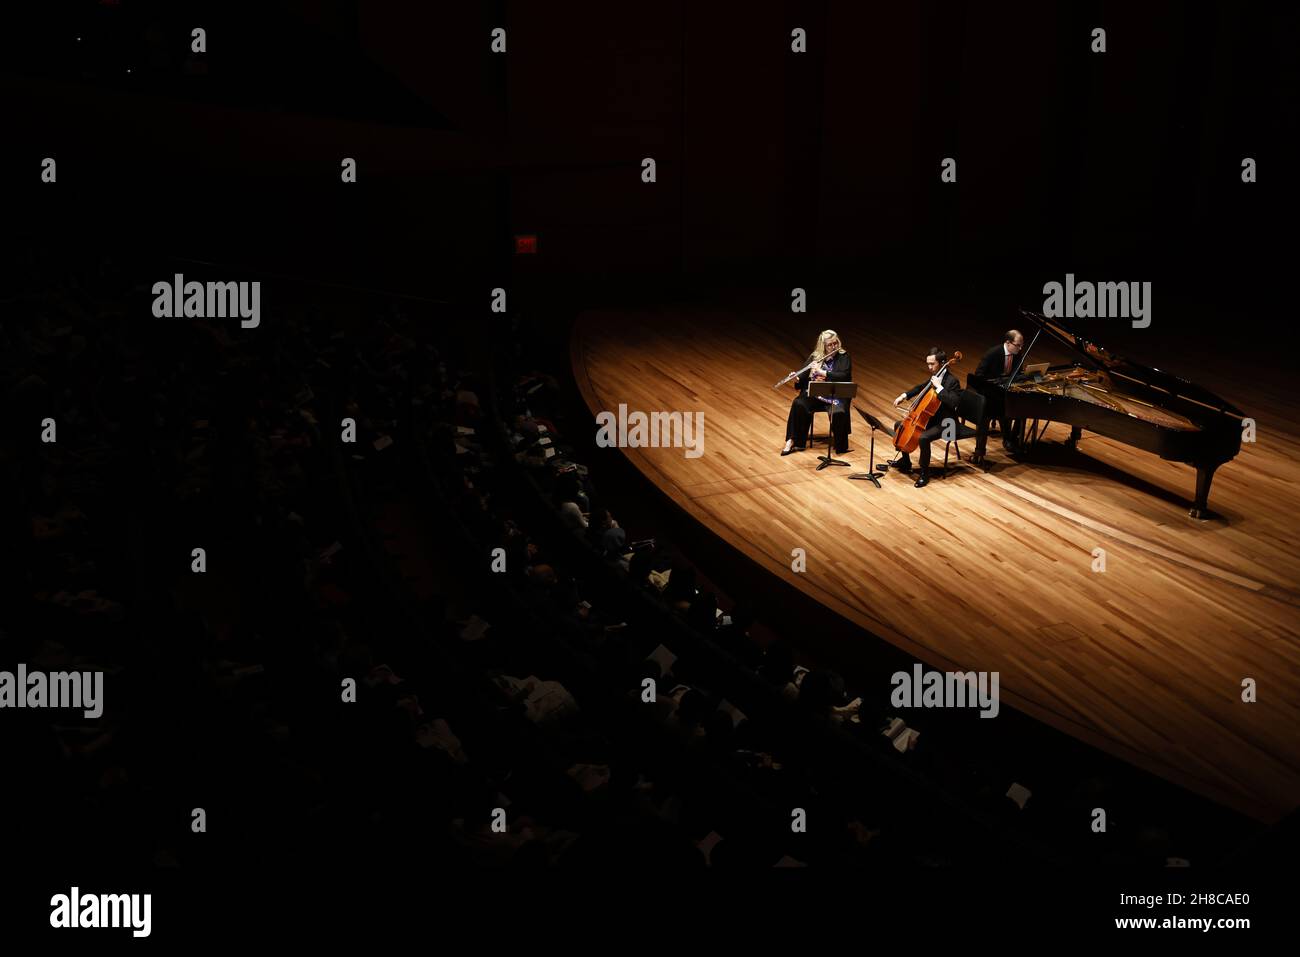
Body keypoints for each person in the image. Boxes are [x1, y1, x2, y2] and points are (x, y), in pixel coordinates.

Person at [891, 347, 965, 488]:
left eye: (932, 364)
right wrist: (904, 395)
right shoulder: (934, 377)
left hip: (947, 422)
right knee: (898, 425)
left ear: (942, 363)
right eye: (928, 364)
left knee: (923, 438)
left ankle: (925, 473)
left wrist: (939, 388)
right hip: (931, 418)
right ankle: (905, 462)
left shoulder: (952, 382)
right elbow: (921, 388)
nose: (929, 367)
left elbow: (954, 402)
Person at [781, 330, 852, 455]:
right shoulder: (816, 356)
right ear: (823, 346)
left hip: (835, 396)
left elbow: (844, 376)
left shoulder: (843, 356)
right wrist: (796, 378)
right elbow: (803, 377)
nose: (833, 347)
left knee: (839, 411)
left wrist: (823, 373)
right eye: (830, 345)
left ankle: (841, 444)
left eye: (835, 343)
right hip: (816, 395)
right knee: (799, 404)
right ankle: (792, 441)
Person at [972, 329, 1024, 452]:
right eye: (1018, 345)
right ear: (1008, 342)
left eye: (1022, 346)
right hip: (989, 392)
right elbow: (978, 375)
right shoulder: (992, 353)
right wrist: (995, 383)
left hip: (1005, 390)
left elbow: (1019, 373)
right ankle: (1007, 440)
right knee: (1003, 409)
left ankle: (1013, 439)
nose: (1020, 348)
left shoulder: (1018, 355)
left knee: (1021, 409)